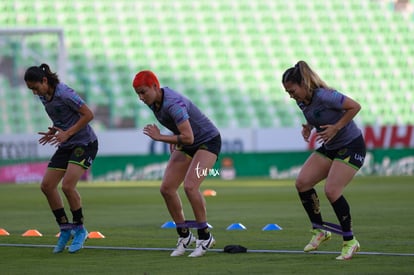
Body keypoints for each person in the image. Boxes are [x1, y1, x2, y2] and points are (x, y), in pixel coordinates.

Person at [281, 61, 366, 260]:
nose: (291, 95)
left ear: (303, 84)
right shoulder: (301, 100)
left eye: (292, 90)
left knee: (332, 190)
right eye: (287, 92)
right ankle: (320, 230)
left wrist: (336, 127)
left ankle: (350, 241)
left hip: (351, 145)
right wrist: (309, 126)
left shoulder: (325, 95)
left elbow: (355, 106)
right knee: (302, 183)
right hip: (330, 147)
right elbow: (315, 114)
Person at [132, 70, 221, 257]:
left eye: (143, 92)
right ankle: (184, 235)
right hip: (187, 143)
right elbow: (181, 132)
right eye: (138, 93)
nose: (141, 97)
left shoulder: (173, 104)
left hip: (207, 141)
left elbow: (189, 136)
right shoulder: (153, 101)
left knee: (190, 186)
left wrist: (162, 138)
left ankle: (205, 237)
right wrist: (175, 140)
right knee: (166, 188)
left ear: (155, 87)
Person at [24, 64, 98, 253]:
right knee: (47, 186)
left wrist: (68, 133)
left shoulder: (65, 93)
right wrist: (54, 129)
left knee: (67, 186)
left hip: (84, 143)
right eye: (31, 89)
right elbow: (62, 116)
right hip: (66, 143)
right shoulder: (43, 95)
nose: (34, 93)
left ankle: (80, 229)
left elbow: (88, 114)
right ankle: (65, 229)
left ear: (45, 81)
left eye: (35, 87)